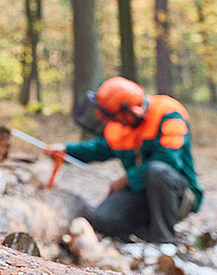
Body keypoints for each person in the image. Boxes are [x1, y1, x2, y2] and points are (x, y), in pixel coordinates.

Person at [46, 76, 202, 244]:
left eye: (114, 117)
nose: (112, 122)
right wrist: (67, 149)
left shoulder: (169, 113)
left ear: (130, 111)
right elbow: (100, 148)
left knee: (157, 171)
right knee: (102, 218)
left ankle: (164, 241)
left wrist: (126, 179)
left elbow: (169, 160)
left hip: (179, 194)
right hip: (139, 193)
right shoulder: (121, 125)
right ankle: (145, 236)